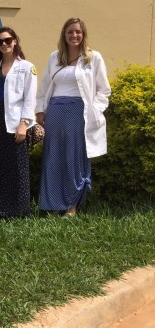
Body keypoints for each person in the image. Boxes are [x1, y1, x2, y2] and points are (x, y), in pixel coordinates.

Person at [35, 18, 111, 216]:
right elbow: (44, 87)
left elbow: (104, 91)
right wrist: (40, 111)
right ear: (64, 35)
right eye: (70, 32)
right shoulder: (54, 57)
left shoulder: (93, 58)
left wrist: (94, 111)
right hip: (55, 112)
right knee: (53, 159)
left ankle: (71, 206)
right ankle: (52, 205)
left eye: (78, 32)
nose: (74, 35)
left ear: (83, 34)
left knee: (74, 158)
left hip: (79, 113)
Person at [0, 27, 37, 219]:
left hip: (15, 120)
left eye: (8, 40)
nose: (4, 44)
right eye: (0, 42)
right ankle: (1, 208)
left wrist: (24, 123)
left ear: (15, 41)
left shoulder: (27, 67)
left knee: (17, 166)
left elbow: (30, 98)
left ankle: (20, 210)